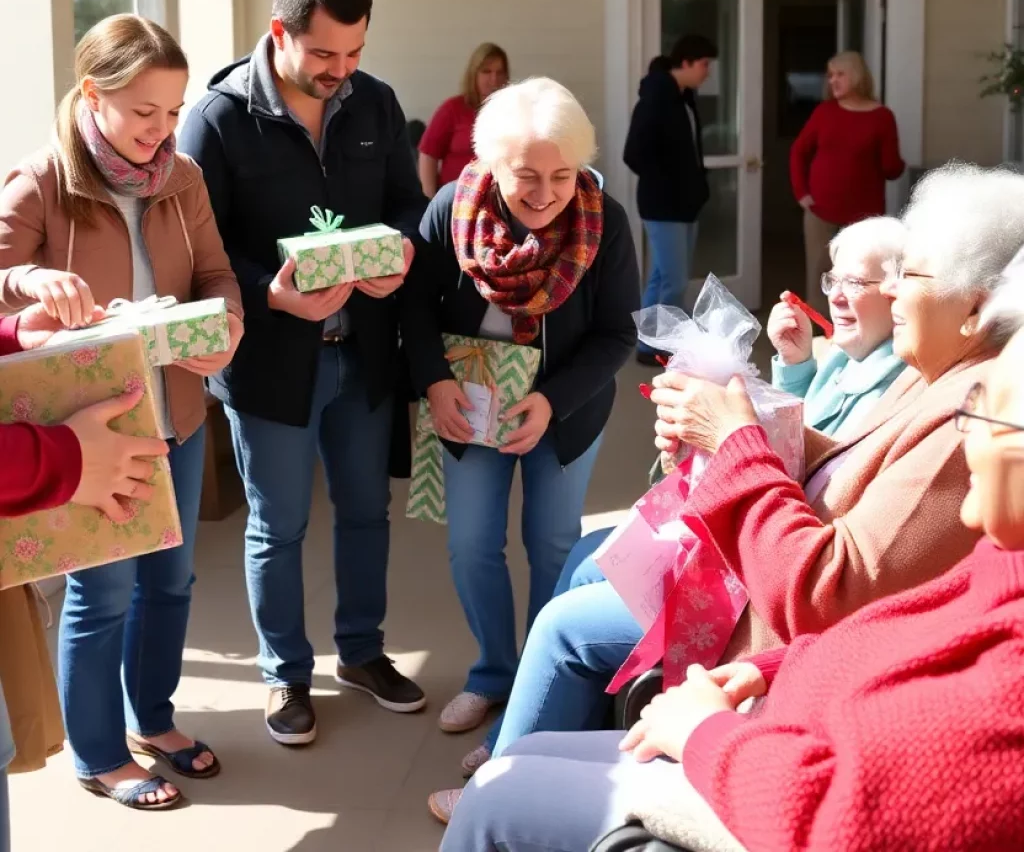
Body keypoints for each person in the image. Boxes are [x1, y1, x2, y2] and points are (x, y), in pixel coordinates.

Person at [429, 162, 1024, 828]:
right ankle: (524, 755)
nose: (887, 288)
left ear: (975, 308)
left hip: (764, 665)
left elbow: (828, 597)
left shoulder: (965, 414)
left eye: (904, 275)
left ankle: (514, 777)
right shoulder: (939, 377)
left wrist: (737, 440)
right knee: (581, 592)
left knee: (543, 684)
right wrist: (736, 425)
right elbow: (858, 492)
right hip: (775, 661)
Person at [178, 0, 428, 747]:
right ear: (280, 33)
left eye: (354, 53)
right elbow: (195, 250)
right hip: (269, 362)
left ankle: (361, 652)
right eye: (325, 56)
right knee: (277, 525)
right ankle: (284, 675)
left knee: (366, 513)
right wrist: (270, 295)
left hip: (364, 354)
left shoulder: (376, 103)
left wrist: (400, 254)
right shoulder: (214, 119)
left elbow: (407, 206)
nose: (342, 72)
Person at [0, 13, 243, 810]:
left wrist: (226, 327)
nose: (162, 129)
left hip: (174, 413)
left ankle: (156, 720)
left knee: (170, 585)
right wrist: (29, 282)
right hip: (93, 428)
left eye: (173, 112)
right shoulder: (41, 179)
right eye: (145, 112)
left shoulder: (183, 178)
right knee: (99, 596)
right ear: (94, 95)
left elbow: (216, 274)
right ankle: (100, 754)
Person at [404, 78, 638, 750]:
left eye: (562, 176)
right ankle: (493, 672)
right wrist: (434, 381)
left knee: (553, 545)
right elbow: (416, 308)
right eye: (527, 175)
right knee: (472, 543)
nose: (544, 193)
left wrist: (551, 400)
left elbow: (618, 334)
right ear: (489, 165)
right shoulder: (452, 208)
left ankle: (543, 685)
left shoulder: (604, 221)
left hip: (563, 409)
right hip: (468, 401)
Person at [767, 215, 905, 436]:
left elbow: (796, 458)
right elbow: (791, 431)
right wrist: (795, 362)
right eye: (833, 281)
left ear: (898, 294)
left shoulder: (891, 397)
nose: (835, 297)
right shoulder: (845, 355)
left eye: (855, 283)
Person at [790, 51, 904, 316]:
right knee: (819, 277)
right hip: (821, 212)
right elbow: (798, 152)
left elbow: (891, 168)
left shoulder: (882, 117)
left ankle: (861, 331)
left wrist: (897, 164)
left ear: (856, 77)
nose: (833, 81)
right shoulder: (824, 112)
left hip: (864, 218)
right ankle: (820, 337)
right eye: (830, 76)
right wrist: (801, 193)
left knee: (862, 277)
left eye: (840, 74)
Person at [625, 38, 717, 365]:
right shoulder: (655, 101)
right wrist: (670, 182)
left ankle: (647, 343)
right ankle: (660, 346)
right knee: (675, 282)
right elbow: (633, 154)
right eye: (705, 64)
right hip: (663, 206)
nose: (708, 72)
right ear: (687, 62)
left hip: (685, 204)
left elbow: (691, 150)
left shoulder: (685, 100)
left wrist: (695, 186)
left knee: (662, 277)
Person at [417, 42, 509, 197]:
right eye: (486, 72)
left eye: (500, 72)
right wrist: (429, 200)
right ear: (474, 74)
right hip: (455, 199)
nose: (494, 79)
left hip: (497, 200)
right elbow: (428, 155)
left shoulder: (514, 111)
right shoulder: (452, 109)